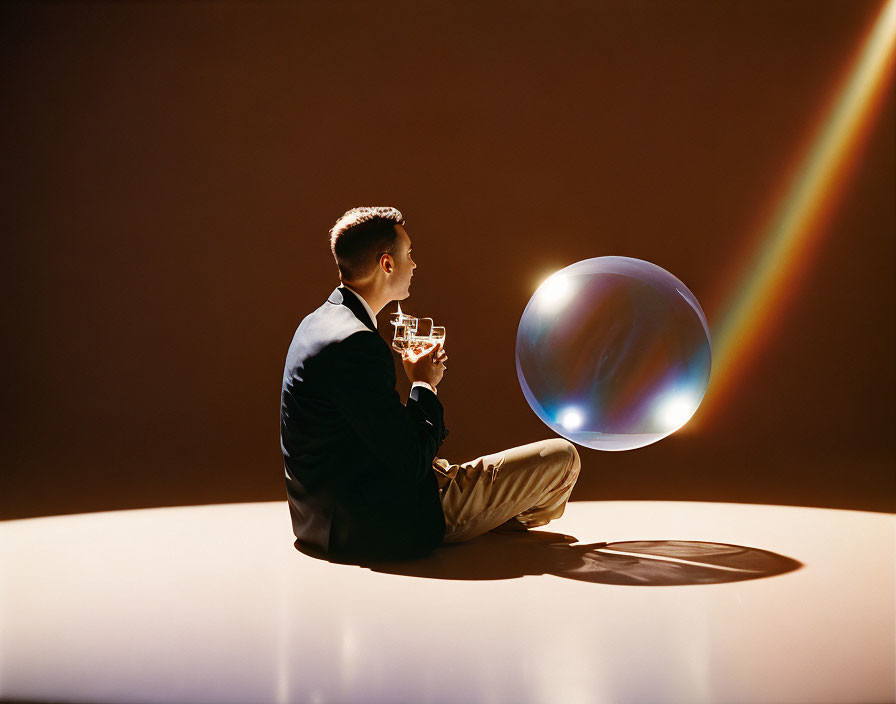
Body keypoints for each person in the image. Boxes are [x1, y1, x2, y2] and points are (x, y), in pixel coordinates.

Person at [279, 206, 581, 562]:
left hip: (319, 516)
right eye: (409, 254)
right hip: (373, 523)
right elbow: (410, 462)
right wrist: (424, 383)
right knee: (562, 458)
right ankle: (480, 514)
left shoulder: (320, 320)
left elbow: (372, 433)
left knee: (445, 469)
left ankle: (473, 500)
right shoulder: (357, 342)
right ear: (387, 264)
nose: (415, 264)